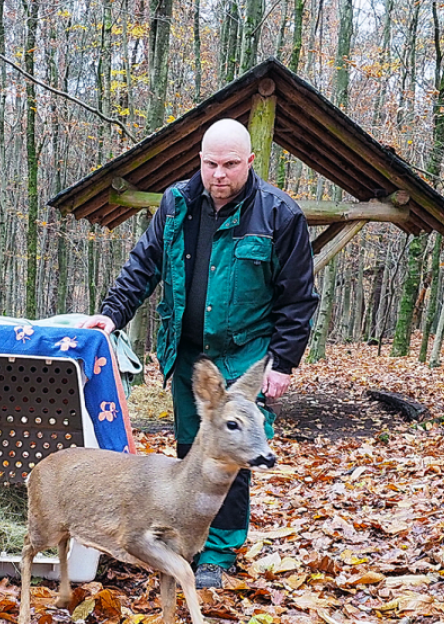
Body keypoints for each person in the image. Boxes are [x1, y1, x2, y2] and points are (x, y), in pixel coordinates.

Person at [81, 118, 319, 589]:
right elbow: (142, 266)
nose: (219, 174)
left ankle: (220, 551)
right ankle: (184, 538)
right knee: (192, 453)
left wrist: (284, 363)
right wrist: (111, 316)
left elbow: (299, 297)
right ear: (200, 161)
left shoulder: (278, 215)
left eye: (231, 164)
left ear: (250, 162)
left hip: (245, 352)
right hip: (189, 353)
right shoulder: (176, 205)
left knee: (233, 451)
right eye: (211, 163)